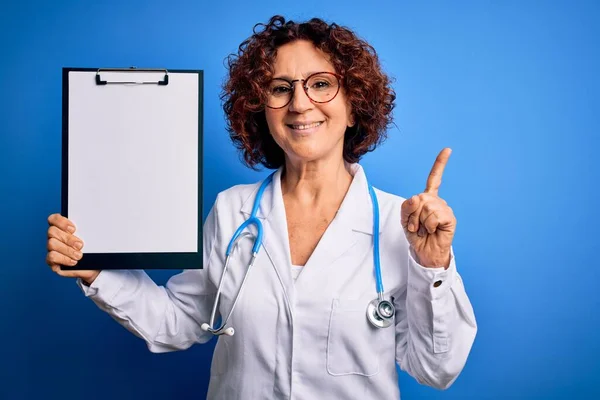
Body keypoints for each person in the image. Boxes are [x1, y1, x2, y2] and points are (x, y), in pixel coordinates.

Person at [46, 15, 477, 399]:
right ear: (261, 111)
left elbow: (435, 370)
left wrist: (433, 266)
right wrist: (95, 269)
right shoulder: (233, 212)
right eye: (280, 88)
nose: (300, 103)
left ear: (354, 107)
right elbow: (177, 321)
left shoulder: (401, 226)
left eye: (321, 84)